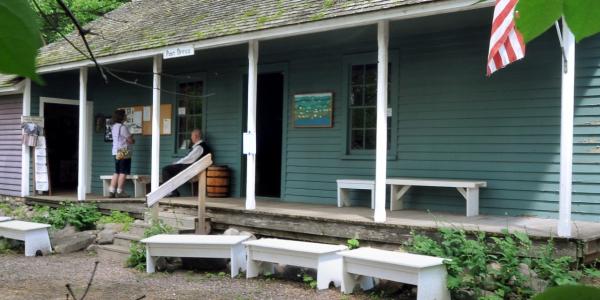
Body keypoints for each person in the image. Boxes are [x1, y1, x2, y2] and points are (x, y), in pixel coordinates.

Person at [162, 129, 211, 197]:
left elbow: (189, 159)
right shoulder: (200, 146)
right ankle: (172, 191)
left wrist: (177, 163)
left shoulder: (199, 147)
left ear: (196, 136)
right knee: (168, 170)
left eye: (191, 136)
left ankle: (173, 192)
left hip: (191, 168)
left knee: (166, 169)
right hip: (192, 167)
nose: (191, 138)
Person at [108, 109, 135, 198]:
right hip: (123, 151)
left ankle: (111, 190)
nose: (126, 116)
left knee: (117, 171)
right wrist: (132, 138)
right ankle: (120, 191)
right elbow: (130, 140)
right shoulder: (122, 127)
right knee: (123, 171)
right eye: (125, 115)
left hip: (115, 151)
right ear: (122, 117)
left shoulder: (114, 126)